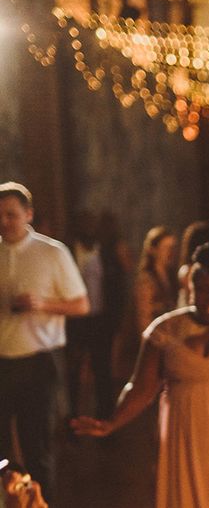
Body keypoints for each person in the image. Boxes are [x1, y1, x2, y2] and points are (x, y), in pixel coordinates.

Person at [72, 243, 209, 508]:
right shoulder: (165, 330)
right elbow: (141, 387)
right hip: (185, 435)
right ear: (189, 290)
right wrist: (111, 423)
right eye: (202, 290)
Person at [0, 182, 89, 503]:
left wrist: (42, 304)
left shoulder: (52, 252)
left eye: (11, 215)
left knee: (38, 447)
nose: (4, 222)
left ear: (29, 214)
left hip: (39, 361)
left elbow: (81, 305)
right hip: (1, 361)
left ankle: (40, 502)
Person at [65, 210, 126, 420]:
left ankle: (105, 421)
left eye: (92, 225)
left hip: (101, 322)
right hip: (75, 323)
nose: (89, 230)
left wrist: (115, 321)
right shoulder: (68, 254)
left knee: (103, 374)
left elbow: (117, 288)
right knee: (73, 375)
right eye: (84, 225)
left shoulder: (106, 254)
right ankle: (72, 420)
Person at [134, 226, 178, 335]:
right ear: (153, 250)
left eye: (172, 247)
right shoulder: (146, 280)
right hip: (154, 340)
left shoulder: (171, 276)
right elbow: (143, 320)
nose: (170, 252)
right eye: (166, 248)